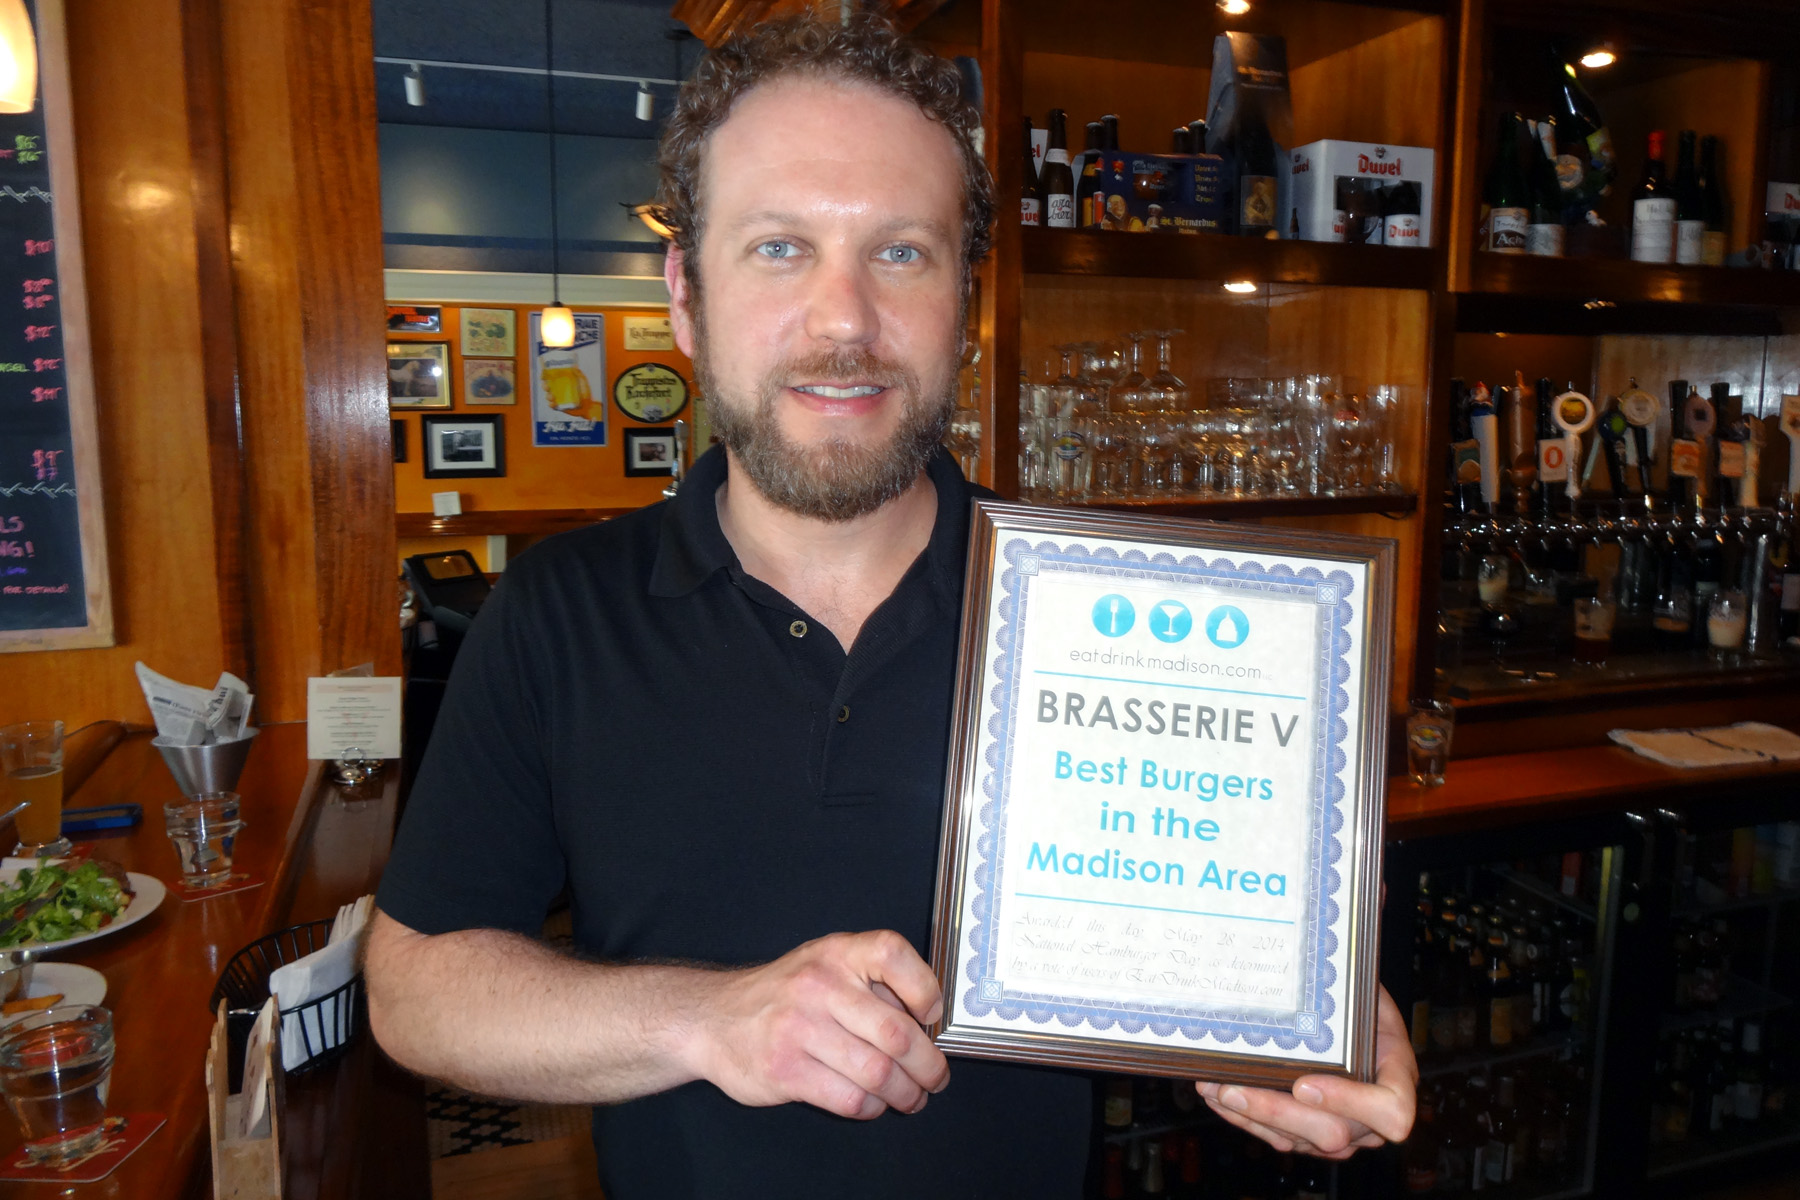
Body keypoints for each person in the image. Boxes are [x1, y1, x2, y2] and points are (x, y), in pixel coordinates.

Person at [365, 15, 1415, 1199]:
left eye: (902, 252)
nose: (843, 320)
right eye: (778, 248)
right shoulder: (560, 611)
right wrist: (709, 1019)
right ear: (685, 295)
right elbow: (415, 990)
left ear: (966, 297)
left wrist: (1300, 1020)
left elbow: (1215, 920)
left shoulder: (1106, 611)